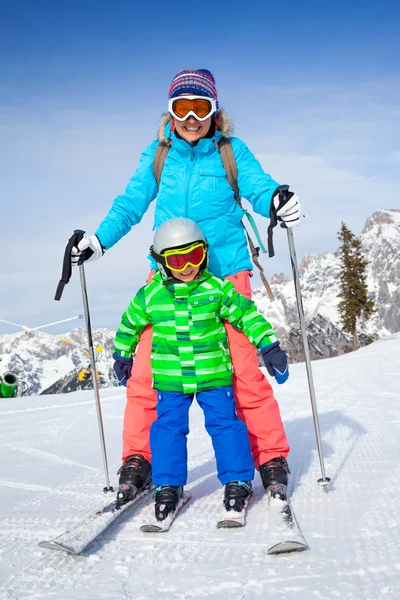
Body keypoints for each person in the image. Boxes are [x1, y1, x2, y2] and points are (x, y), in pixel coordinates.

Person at [69, 68, 301, 501]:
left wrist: (276, 199)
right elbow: (131, 201)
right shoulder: (158, 156)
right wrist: (98, 241)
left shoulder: (231, 151)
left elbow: (257, 185)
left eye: (201, 107)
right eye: (182, 107)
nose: (191, 117)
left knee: (245, 374)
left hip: (225, 275)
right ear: (170, 112)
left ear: (215, 112)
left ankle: (270, 455)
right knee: (147, 376)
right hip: (167, 281)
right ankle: (139, 458)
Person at [113, 218, 289, 521]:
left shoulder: (216, 289)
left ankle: (237, 479)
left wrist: (268, 344)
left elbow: (246, 314)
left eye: (193, 256)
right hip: (170, 380)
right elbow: (130, 323)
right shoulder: (150, 296)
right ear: (161, 261)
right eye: (176, 260)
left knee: (225, 425)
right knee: (166, 429)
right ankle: (168, 485)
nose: (186, 267)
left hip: (214, 376)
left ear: (204, 253)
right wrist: (122, 353)